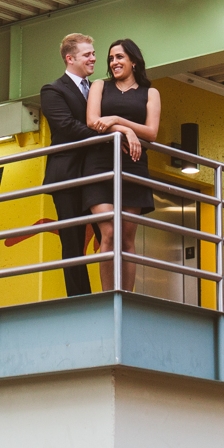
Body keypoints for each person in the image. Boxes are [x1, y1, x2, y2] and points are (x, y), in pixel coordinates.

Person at [83, 38, 161, 292]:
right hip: (100, 164)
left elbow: (151, 132)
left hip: (133, 165)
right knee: (109, 233)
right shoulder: (99, 86)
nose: (114, 63)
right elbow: (93, 121)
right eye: (111, 58)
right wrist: (125, 131)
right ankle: (109, 295)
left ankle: (127, 296)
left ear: (134, 61)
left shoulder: (150, 93)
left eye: (120, 57)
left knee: (127, 237)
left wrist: (117, 119)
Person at [38, 33, 98, 297]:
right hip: (68, 175)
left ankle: (114, 289)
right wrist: (107, 137)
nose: (94, 58)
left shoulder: (98, 89)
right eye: (87, 54)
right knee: (72, 241)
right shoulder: (53, 90)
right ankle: (79, 298)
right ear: (70, 58)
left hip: (95, 172)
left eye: (93, 53)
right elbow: (65, 127)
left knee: (107, 233)